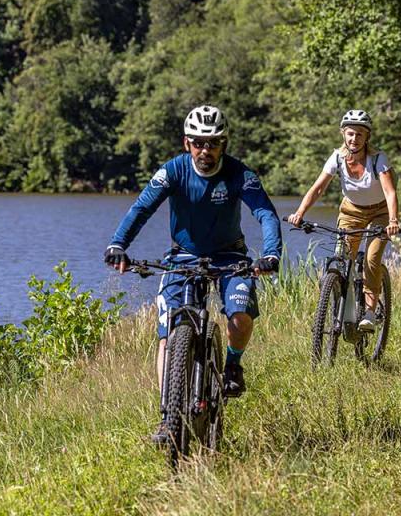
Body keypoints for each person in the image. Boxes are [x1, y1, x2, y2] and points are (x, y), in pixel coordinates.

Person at [104, 105, 282, 442]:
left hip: (231, 257)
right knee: (168, 332)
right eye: (199, 143)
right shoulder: (172, 171)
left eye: (213, 143)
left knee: (239, 316)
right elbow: (141, 209)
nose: (206, 150)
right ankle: (167, 417)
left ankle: (232, 364)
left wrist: (271, 254)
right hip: (183, 258)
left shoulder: (239, 174)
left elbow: (266, 214)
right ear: (187, 143)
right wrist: (117, 244)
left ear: (223, 144)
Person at [287, 109, 399, 331]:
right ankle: (339, 296)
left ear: (367, 137)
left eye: (359, 134)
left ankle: (369, 312)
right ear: (343, 134)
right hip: (351, 211)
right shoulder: (337, 157)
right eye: (350, 133)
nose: (354, 138)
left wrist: (393, 220)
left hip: (380, 212)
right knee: (341, 255)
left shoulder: (378, 159)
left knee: (371, 257)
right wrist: (300, 212)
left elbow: (390, 192)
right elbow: (318, 188)